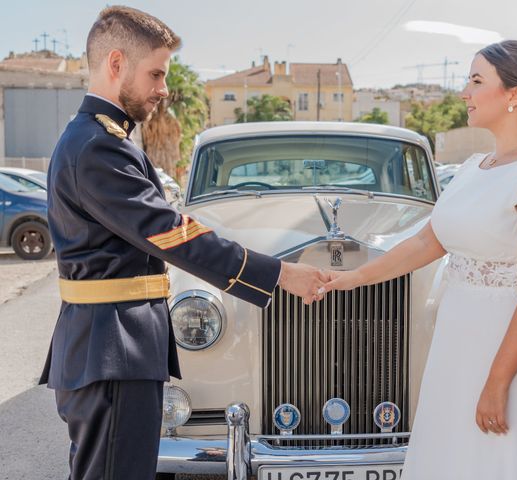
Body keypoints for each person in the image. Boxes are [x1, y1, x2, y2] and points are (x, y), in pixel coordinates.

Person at [39, 6, 328, 480]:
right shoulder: (98, 146)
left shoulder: (101, 139)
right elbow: (171, 233)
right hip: (112, 351)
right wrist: (279, 273)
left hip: (115, 346)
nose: (163, 88)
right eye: (155, 73)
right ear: (116, 64)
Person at [321, 40, 517, 479]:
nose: (464, 94)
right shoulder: (475, 167)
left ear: (515, 95)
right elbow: (425, 244)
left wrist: (498, 382)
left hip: (510, 357)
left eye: (477, 81)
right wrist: (352, 278)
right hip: (457, 349)